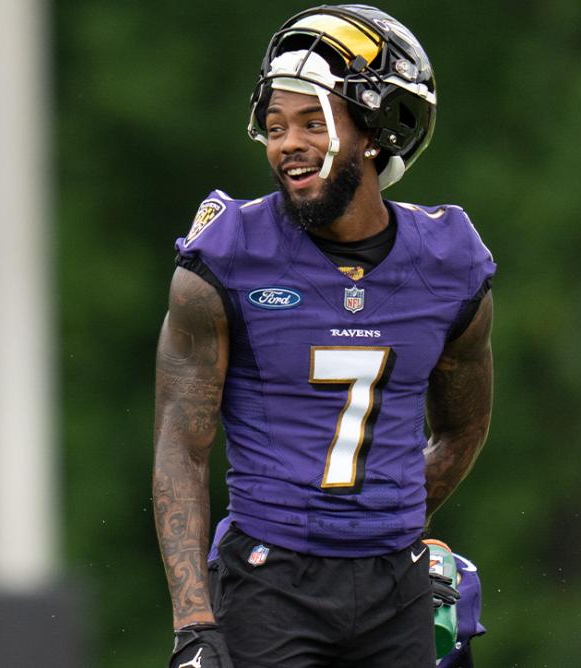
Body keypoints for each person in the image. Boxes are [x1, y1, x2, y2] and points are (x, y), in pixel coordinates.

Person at [152, 5, 495, 667]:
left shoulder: (449, 264)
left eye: (313, 121)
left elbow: (461, 429)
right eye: (276, 126)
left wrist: (389, 524)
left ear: (376, 131)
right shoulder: (227, 256)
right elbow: (180, 448)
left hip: (396, 588)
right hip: (268, 582)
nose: (288, 144)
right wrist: (194, 623)